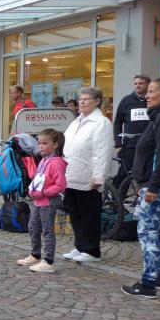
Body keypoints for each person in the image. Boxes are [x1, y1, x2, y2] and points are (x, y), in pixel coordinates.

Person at [122, 77, 160, 299]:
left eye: (151, 91)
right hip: (156, 182)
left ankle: (148, 283)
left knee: (147, 233)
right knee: (154, 231)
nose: (147, 96)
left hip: (155, 184)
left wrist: (153, 186)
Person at [62, 88, 115, 264]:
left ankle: (92, 250)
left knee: (89, 214)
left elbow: (102, 151)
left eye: (86, 99)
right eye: (80, 99)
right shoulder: (76, 121)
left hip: (88, 176)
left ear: (97, 101)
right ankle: (80, 246)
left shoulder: (101, 122)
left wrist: (99, 177)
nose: (82, 102)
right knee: (75, 213)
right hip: (71, 174)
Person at [16, 129, 67, 273]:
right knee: (33, 227)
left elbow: (60, 185)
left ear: (55, 145)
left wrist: (44, 192)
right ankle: (35, 255)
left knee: (47, 230)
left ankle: (49, 261)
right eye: (39, 143)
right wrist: (32, 190)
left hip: (48, 202)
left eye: (44, 143)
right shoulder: (44, 160)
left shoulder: (56, 163)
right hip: (37, 200)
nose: (40, 146)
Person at [113, 74, 151, 187]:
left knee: (146, 173)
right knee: (124, 174)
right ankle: (115, 197)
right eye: (135, 83)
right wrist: (118, 143)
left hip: (149, 144)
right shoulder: (126, 100)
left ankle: (142, 196)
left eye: (141, 83)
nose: (137, 86)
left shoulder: (151, 101)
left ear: (148, 84)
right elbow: (117, 122)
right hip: (130, 145)